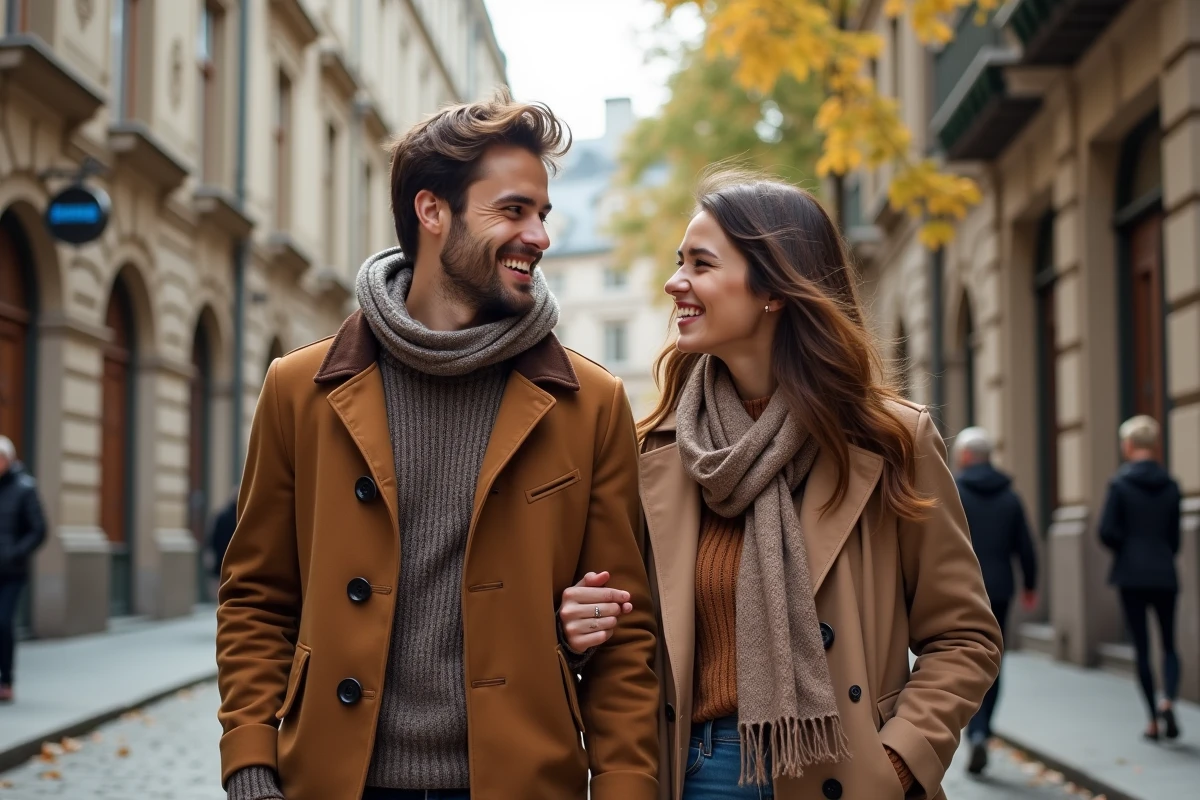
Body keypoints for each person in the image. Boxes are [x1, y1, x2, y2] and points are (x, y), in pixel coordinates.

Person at [216, 91, 660, 800]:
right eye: (513, 210)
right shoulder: (300, 388)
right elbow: (256, 600)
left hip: (519, 782)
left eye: (542, 214)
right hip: (334, 780)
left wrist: (625, 787)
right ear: (432, 212)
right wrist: (249, 764)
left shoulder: (591, 403)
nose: (541, 236)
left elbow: (625, 639)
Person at [561, 170, 1002, 799]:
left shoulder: (886, 443)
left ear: (773, 288)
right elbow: (624, 640)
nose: (673, 282)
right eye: (678, 261)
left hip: (844, 774)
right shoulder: (653, 452)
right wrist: (579, 628)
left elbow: (964, 636)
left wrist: (898, 762)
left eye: (701, 263)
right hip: (692, 772)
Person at [952, 426, 1038, 775]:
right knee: (993, 659)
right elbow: (1026, 547)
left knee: (961, 655)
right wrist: (1031, 584)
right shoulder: (1010, 496)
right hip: (1000, 588)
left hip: (961, 588)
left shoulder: (954, 491)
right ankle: (982, 731)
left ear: (968, 456)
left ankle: (974, 729)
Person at [1099, 415, 1182, 741]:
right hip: (1165, 572)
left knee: (1143, 648)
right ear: (1155, 445)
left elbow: (1106, 531)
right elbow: (1174, 537)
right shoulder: (1171, 485)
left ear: (1129, 445)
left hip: (1131, 574)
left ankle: (1151, 719)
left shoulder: (1120, 484)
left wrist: (1126, 547)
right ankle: (1169, 700)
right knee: (1170, 644)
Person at [0, 435, 46, 703]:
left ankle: (6, 679)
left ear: (10, 459)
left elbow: (39, 529)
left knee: (4, 623)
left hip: (12, 572)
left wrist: (16, 553)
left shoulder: (25, 488)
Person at [208, 489, 237, 579]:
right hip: (233, 558)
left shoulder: (221, 515)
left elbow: (213, 538)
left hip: (220, 557)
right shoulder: (239, 518)